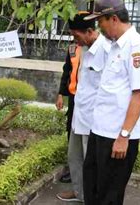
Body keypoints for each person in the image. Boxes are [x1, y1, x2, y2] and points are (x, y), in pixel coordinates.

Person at [82, 0, 140, 204]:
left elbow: (139, 94)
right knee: (92, 189)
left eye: (100, 22)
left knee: (109, 197)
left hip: (117, 137)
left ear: (113, 19)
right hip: (100, 132)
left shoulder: (136, 47)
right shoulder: (114, 46)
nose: (99, 28)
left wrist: (123, 136)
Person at [56, 12, 110, 202]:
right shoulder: (83, 48)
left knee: (91, 162)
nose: (75, 41)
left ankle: (92, 198)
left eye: (77, 36)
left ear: (89, 31)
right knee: (75, 157)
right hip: (79, 115)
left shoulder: (106, 50)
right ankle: (80, 193)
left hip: (94, 120)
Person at [56, 27, 83, 184]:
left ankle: (81, 171)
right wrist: (61, 94)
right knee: (71, 130)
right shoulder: (72, 48)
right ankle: (72, 170)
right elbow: (66, 71)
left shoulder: (93, 48)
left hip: (87, 98)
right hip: (73, 97)